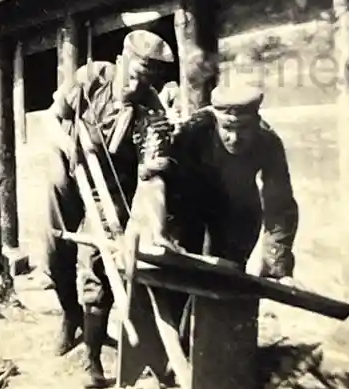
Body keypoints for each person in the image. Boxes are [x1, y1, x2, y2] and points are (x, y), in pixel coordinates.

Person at [40, 29, 176, 389]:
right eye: (133, 75)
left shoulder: (152, 111)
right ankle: (70, 315)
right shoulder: (92, 77)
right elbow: (51, 119)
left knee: (100, 253)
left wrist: (157, 228)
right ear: (122, 62)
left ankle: (92, 355)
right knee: (55, 246)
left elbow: (153, 176)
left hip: (112, 182)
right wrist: (66, 145)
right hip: (69, 157)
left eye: (146, 81)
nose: (136, 86)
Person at [125, 81, 300, 283]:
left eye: (243, 129)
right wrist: (161, 234)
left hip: (236, 210)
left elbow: (280, 207)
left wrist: (275, 266)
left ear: (256, 121)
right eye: (227, 128)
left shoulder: (268, 143)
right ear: (217, 121)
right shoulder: (194, 131)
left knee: (228, 281)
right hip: (188, 205)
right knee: (179, 274)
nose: (234, 138)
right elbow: (160, 181)